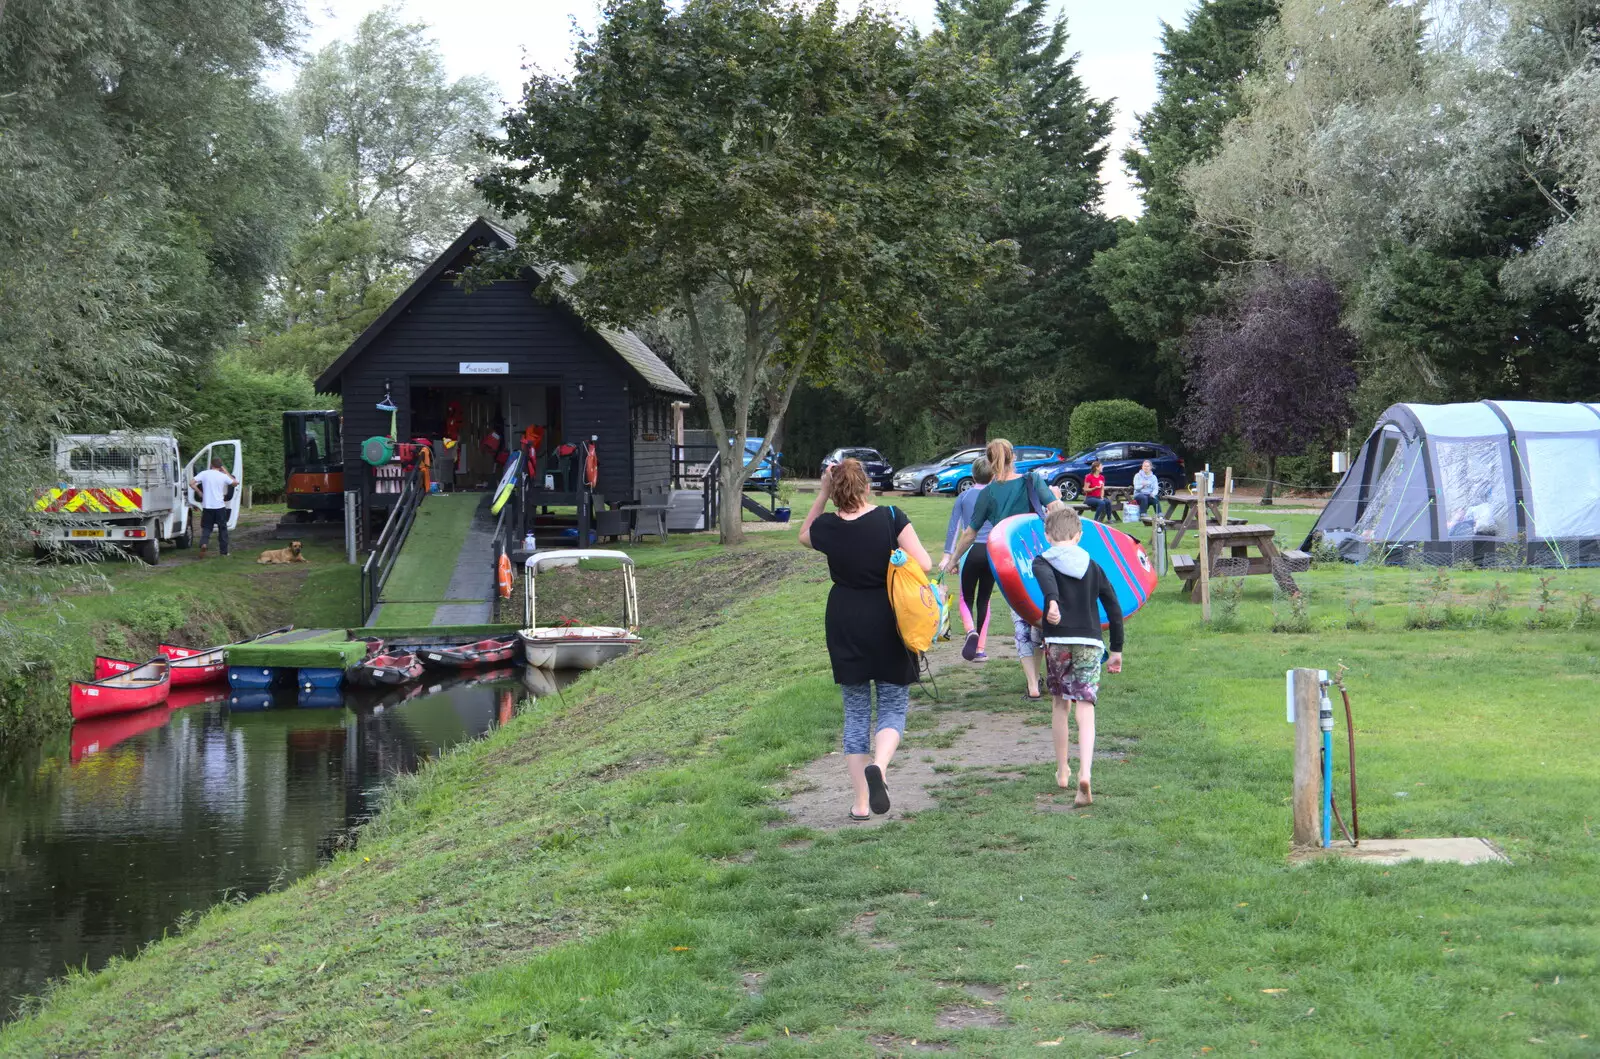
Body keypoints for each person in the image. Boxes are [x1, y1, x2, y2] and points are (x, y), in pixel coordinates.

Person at [800, 458, 932, 820]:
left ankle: (860, 804)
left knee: (856, 712)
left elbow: (803, 535)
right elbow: (925, 563)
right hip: (889, 617)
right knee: (892, 704)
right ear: (867, 486)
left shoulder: (827, 526)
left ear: (835, 492)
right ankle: (881, 767)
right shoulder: (891, 517)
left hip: (845, 618)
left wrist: (822, 495)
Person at [941, 439, 1063, 701]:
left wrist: (953, 560)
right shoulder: (1032, 481)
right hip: (1040, 559)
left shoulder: (988, 493)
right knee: (1039, 618)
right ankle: (1047, 674)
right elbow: (1055, 510)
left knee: (1021, 619)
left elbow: (970, 533)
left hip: (1009, 565)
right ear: (1013, 457)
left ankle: (1032, 684)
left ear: (988, 461)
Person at [1033, 506, 1124, 806]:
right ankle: (1085, 773)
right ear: (1079, 535)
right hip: (1089, 643)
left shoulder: (1042, 560)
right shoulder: (1093, 566)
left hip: (1058, 642)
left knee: (1061, 704)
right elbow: (1113, 607)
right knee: (1086, 707)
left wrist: (1053, 602)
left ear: (1047, 535)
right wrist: (1117, 649)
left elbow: (1046, 579)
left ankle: (1062, 770)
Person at [941, 458, 995, 662]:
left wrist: (949, 555)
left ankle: (970, 630)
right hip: (991, 551)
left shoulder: (963, 497)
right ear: (993, 476)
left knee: (966, 598)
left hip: (969, 551)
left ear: (972, 476)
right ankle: (980, 648)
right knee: (985, 600)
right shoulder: (996, 496)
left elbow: (954, 528)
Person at [190, 457, 237, 559]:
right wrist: (226, 472)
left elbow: (191, 483)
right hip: (219, 506)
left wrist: (199, 492)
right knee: (222, 529)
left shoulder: (204, 473)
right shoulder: (222, 476)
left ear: (211, 465)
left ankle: (204, 543)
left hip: (207, 506)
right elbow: (235, 483)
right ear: (220, 467)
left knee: (206, 527)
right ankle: (224, 552)